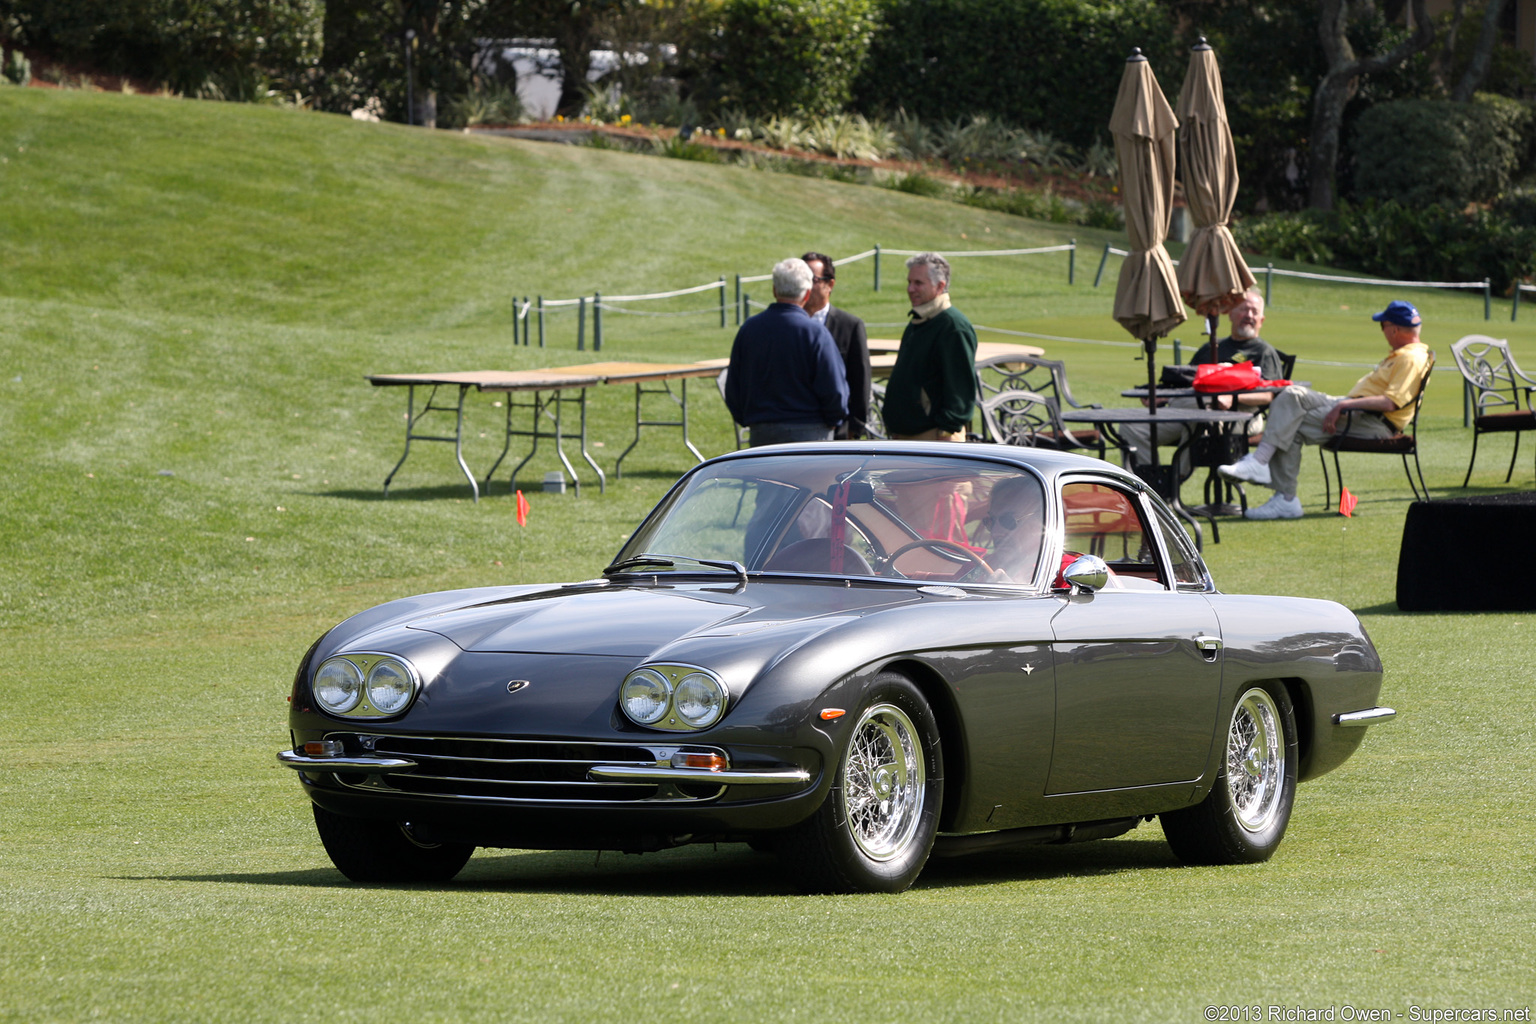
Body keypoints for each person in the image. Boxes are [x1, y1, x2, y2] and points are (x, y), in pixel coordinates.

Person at [1218, 299, 1432, 520]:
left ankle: (1276, 485)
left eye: (1383, 326)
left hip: (1371, 422)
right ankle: (1276, 488)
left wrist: (1343, 405)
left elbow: (1390, 403)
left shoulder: (1411, 358)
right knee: (1291, 394)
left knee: (1292, 418)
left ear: (1394, 328)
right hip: (1355, 411)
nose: (1383, 331)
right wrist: (1343, 404)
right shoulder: (1404, 354)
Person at [1119, 288, 1285, 475]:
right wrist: (1162, 396)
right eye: (1243, 309)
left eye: (1254, 312)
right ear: (1229, 313)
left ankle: (1173, 482)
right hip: (1187, 410)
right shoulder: (1211, 348)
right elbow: (1188, 381)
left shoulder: (1264, 352)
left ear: (1261, 320)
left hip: (1240, 417)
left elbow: (1269, 394)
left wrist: (1233, 398)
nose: (1249, 315)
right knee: (1130, 427)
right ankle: (1150, 482)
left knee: (1199, 418)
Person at [724, 257, 849, 446]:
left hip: (762, 435)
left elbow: (733, 388)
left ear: (774, 290)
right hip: (811, 435)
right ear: (807, 294)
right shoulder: (815, 333)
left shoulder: (749, 329)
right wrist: (833, 420)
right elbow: (835, 391)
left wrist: (752, 420)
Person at [882, 252, 979, 441]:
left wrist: (946, 431)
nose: (910, 289)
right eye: (909, 282)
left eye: (918, 283)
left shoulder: (953, 326)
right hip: (910, 438)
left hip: (934, 439)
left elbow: (960, 391)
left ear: (940, 286)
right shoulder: (919, 321)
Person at [801, 251, 872, 439]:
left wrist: (854, 430)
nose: (805, 285)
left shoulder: (850, 326)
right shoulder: (788, 326)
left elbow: (860, 381)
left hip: (838, 433)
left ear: (829, 284)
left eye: (812, 279)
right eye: (801, 278)